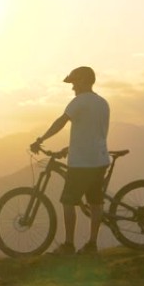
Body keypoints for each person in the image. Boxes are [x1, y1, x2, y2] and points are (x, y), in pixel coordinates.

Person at [30, 66, 110, 255]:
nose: (72, 87)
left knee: (68, 201)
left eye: (74, 82)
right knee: (96, 202)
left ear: (83, 81)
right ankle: (92, 245)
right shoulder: (103, 102)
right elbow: (93, 131)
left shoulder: (78, 102)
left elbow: (60, 122)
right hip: (99, 159)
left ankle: (68, 245)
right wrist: (68, 148)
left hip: (81, 163)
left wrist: (41, 139)